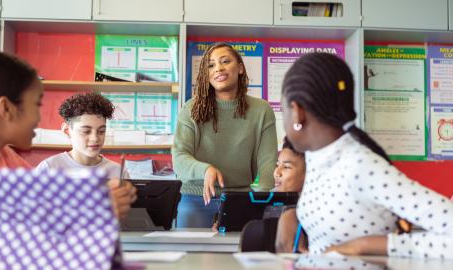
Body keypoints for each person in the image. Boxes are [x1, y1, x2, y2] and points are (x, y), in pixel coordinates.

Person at [277, 52, 453, 258]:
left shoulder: (359, 164)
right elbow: (342, 209)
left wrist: (368, 245)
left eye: (283, 111)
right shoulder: (318, 158)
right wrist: (293, 216)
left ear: (297, 112)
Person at [0, 52, 135, 219]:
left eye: (101, 130)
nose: (38, 118)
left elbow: (42, 208)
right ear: (6, 108)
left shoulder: (5, 156)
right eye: (36, 104)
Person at [172, 43, 277, 227]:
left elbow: (267, 162)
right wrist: (205, 170)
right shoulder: (191, 108)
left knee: (238, 255)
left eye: (225, 61)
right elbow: (179, 158)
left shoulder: (262, 110)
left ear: (240, 68)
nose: (218, 68)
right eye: (211, 65)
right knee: (189, 255)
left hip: (240, 200)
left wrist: (263, 200)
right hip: (195, 198)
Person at [36, 92, 136, 219]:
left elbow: (129, 218)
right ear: (67, 131)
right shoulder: (49, 168)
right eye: (86, 131)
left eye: (101, 131)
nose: (95, 138)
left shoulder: (118, 171)